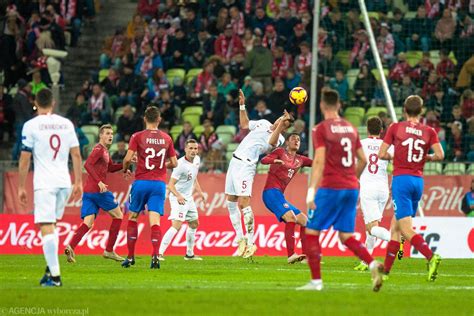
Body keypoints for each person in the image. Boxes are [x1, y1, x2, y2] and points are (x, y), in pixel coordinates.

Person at [298, 88, 383, 292]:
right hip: (351, 188)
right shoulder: (351, 128)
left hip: (331, 187)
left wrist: (311, 191)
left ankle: (316, 282)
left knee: (311, 231)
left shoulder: (321, 129)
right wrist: (353, 177)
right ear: (339, 105)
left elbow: (318, 161)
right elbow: (362, 159)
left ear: (321, 106)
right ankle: (372, 264)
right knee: (346, 235)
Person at [18, 88, 83, 286]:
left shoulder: (30, 126)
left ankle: (55, 277)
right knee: (52, 225)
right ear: (53, 103)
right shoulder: (66, 124)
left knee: (46, 226)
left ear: (35, 103)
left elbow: (24, 158)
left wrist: (21, 186)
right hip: (64, 182)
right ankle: (49, 271)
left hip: (45, 184)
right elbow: (77, 155)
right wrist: (78, 181)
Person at [378, 95, 444, 281]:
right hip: (418, 182)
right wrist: (427, 157)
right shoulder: (429, 131)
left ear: (404, 110)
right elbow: (440, 155)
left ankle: (431, 256)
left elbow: (382, 154)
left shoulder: (396, 127)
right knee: (396, 228)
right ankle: (387, 271)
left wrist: (397, 155)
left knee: (406, 230)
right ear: (421, 111)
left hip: (402, 180)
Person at [225, 90, 289, 259]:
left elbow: (271, 142)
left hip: (246, 165)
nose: (280, 121)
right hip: (235, 161)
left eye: (284, 122)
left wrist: (282, 124)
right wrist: (242, 105)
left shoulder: (280, 139)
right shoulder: (263, 122)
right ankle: (240, 240)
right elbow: (244, 124)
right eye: (280, 118)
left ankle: (251, 243)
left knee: (244, 203)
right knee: (231, 202)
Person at [121, 106, 178, 269]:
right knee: (155, 222)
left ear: (144, 119)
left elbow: (127, 158)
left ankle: (131, 257)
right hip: (159, 185)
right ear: (159, 120)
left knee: (132, 218)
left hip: (141, 183)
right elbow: (174, 163)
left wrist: (126, 169)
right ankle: (155, 257)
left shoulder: (137, 136)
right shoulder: (167, 138)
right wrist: (160, 166)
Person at [65, 124, 131, 263]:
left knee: (88, 223)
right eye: (107, 133)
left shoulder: (105, 151)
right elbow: (87, 164)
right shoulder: (98, 149)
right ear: (100, 135)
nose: (110, 136)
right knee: (118, 215)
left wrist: (125, 165)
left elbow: (111, 168)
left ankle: (71, 246)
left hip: (89, 191)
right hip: (99, 190)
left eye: (111, 133)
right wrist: (100, 182)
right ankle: (109, 250)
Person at [261, 133, 312, 264]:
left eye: (299, 139)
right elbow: (264, 160)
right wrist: (274, 160)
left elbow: (317, 163)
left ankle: (306, 257)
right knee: (291, 218)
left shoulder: (300, 159)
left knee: (304, 220)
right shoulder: (280, 152)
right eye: (293, 139)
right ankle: (291, 255)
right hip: (270, 193)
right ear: (287, 143)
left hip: (279, 195)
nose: (297, 141)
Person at [353, 117, 393, 272]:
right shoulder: (387, 146)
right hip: (383, 189)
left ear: (367, 129)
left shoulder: (360, 144)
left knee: (371, 228)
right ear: (381, 130)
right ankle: (366, 261)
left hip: (368, 189)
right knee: (372, 227)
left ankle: (395, 239)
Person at [158, 139, 206, 260]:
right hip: (177, 197)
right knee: (176, 225)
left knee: (194, 223)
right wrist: (179, 196)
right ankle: (159, 254)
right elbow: (170, 185)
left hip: (188, 198)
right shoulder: (180, 165)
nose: (193, 151)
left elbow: (194, 178)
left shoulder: (197, 160)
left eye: (195, 148)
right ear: (185, 149)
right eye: (190, 148)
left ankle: (189, 254)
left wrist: (200, 192)